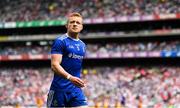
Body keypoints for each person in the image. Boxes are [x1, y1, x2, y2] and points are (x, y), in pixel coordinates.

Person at [47, 12, 88, 107]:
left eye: (78, 23)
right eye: (72, 22)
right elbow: (54, 65)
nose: (75, 24)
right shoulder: (60, 41)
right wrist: (70, 78)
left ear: (81, 27)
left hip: (75, 90)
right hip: (59, 90)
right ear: (67, 25)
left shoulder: (82, 45)